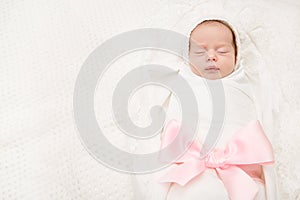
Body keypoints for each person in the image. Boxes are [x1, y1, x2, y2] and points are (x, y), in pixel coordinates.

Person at [131, 17, 278, 200]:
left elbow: (266, 117)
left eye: (222, 51)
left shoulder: (246, 84)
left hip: (241, 172)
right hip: (190, 172)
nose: (211, 56)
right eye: (200, 53)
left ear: (236, 56)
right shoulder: (181, 81)